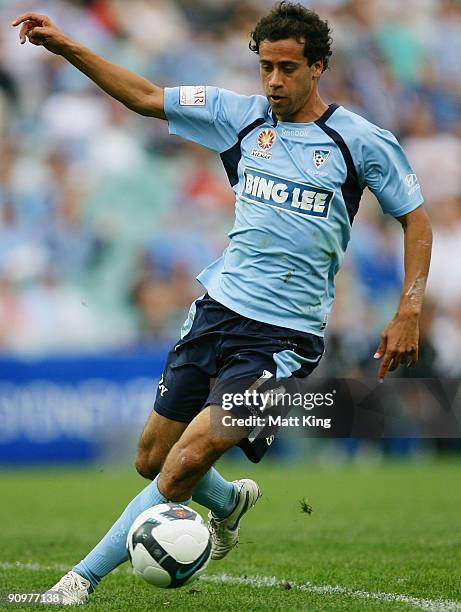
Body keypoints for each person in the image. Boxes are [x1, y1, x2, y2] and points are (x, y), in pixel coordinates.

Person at [13, 1, 432, 604]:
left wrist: (408, 307)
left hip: (283, 339)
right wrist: (66, 46)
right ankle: (230, 501)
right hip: (216, 313)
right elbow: (145, 97)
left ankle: (78, 580)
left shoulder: (359, 141)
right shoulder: (238, 116)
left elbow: (415, 218)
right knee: (151, 458)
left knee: (182, 462)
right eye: (265, 67)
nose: (274, 82)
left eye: (287, 69)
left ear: (319, 67)